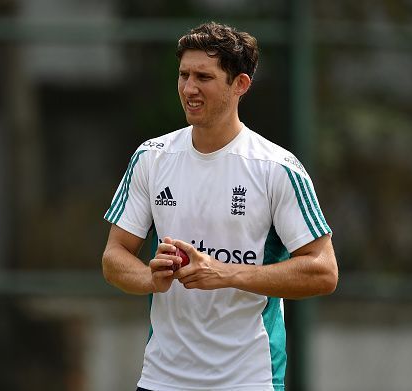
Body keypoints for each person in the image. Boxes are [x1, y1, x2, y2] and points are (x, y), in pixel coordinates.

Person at [102, 21, 338, 391]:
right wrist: (151, 277)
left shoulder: (276, 168)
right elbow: (114, 257)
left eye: (203, 77)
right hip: (163, 378)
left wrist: (223, 273)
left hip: (248, 379)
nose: (189, 88)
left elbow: (324, 271)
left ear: (240, 85)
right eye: (183, 75)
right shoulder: (152, 158)